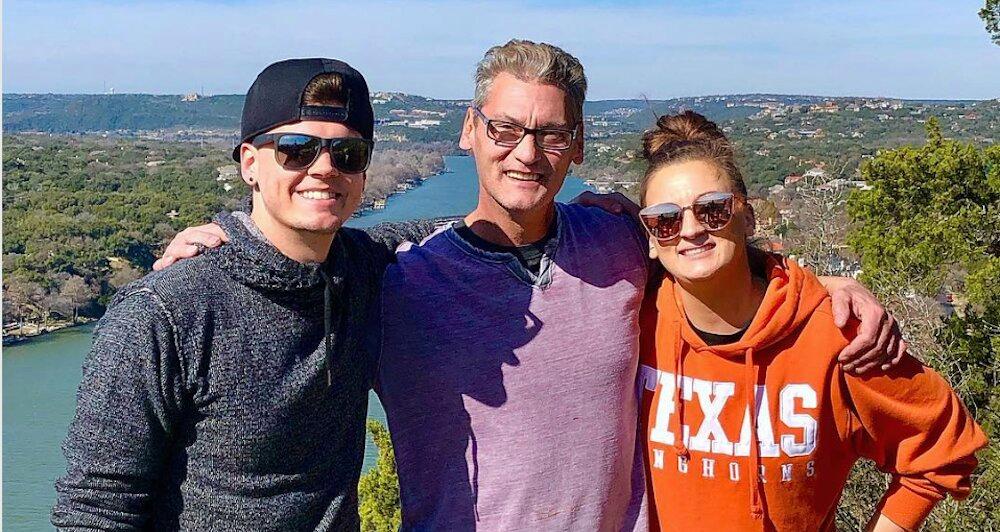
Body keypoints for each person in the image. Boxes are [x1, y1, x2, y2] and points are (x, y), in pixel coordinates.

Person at [158, 41, 904, 530]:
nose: (527, 152)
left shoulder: (619, 241)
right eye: (507, 128)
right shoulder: (393, 274)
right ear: (470, 132)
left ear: (576, 146)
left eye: (550, 133)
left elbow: (710, 248)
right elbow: (298, 261)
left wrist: (817, 284)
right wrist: (229, 244)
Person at [52, 58, 441, 531]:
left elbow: (480, 227)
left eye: (348, 153)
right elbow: (95, 510)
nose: (324, 169)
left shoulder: (363, 268)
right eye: (297, 149)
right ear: (249, 164)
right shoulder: (166, 312)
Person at [635, 111, 987, 531]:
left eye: (713, 210)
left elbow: (942, 445)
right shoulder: (633, 321)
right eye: (665, 219)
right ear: (652, 240)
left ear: (748, 217)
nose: (690, 230)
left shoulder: (836, 332)